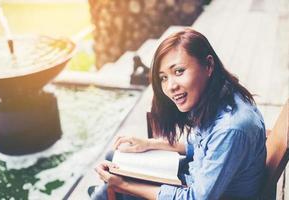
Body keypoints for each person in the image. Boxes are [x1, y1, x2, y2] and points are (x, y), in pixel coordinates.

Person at [94, 28, 266, 200]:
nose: (170, 86)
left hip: (198, 191)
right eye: (163, 78)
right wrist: (147, 144)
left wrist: (125, 186)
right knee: (115, 158)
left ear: (209, 65)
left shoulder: (231, 128)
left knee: (108, 190)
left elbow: (195, 198)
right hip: (195, 177)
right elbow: (197, 145)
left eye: (179, 71)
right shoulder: (220, 97)